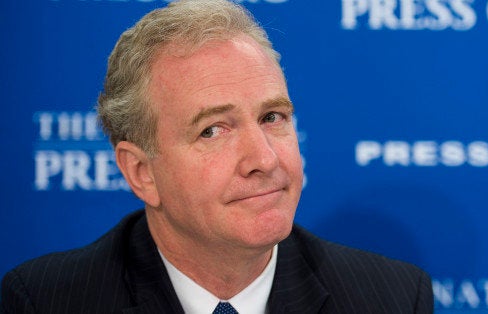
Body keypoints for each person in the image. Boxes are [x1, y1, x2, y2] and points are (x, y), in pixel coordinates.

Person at [1, 1, 433, 313]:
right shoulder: (45, 300)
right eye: (212, 130)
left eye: (272, 116)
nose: (263, 159)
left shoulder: (391, 297)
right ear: (141, 172)